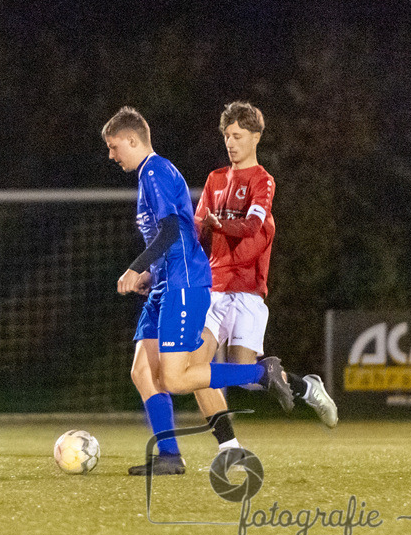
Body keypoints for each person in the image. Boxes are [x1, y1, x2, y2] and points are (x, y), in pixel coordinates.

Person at [102, 106, 300, 476]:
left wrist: (137, 266)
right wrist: (151, 273)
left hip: (183, 283)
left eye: (114, 147)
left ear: (132, 140)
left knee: (176, 378)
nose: (111, 155)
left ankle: (260, 374)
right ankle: (169, 457)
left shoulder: (156, 172)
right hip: (164, 281)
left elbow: (171, 230)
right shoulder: (148, 175)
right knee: (143, 372)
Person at [191, 102, 337, 455]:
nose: (230, 142)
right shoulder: (214, 179)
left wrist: (217, 223)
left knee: (247, 377)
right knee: (196, 368)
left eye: (238, 135)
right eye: (226, 136)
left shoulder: (262, 180)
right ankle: (229, 447)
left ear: (256, 137)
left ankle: (305, 388)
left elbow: (252, 225)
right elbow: (197, 230)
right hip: (213, 287)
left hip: (247, 292)